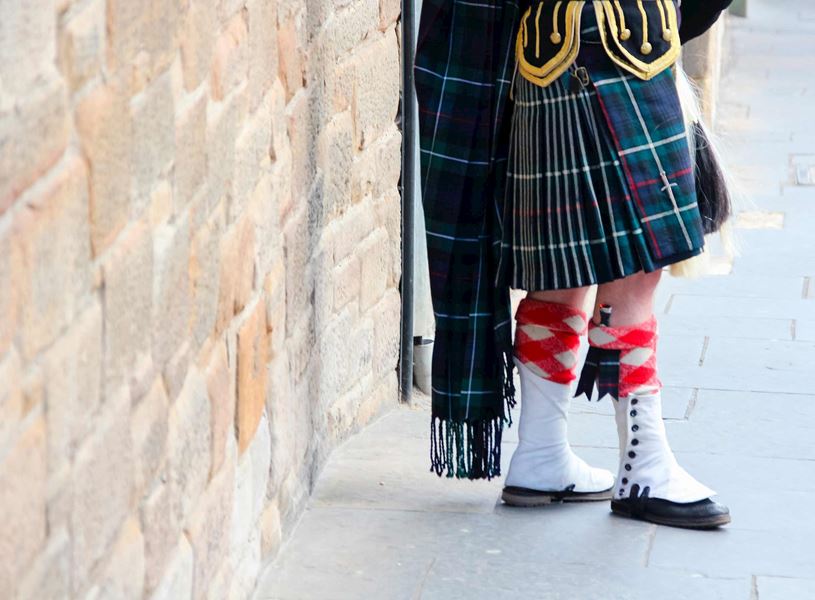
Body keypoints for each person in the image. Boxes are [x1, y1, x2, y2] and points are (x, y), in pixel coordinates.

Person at [415, 0, 734, 529]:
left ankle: (540, 454)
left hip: (545, 52)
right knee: (634, 273)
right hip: (620, 44)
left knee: (562, 268)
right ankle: (645, 469)